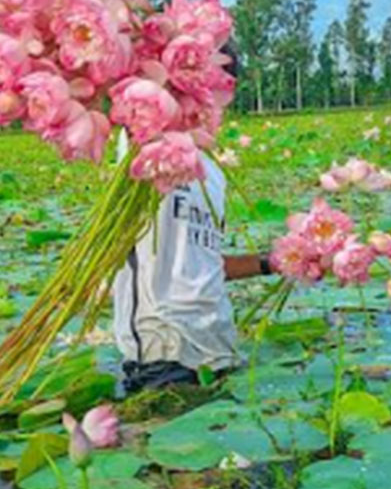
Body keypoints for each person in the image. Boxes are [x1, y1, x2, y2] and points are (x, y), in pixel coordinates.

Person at [111, 44, 273, 392]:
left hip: (220, 352)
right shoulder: (143, 143)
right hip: (163, 359)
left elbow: (204, 265)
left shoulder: (211, 172)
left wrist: (271, 262)